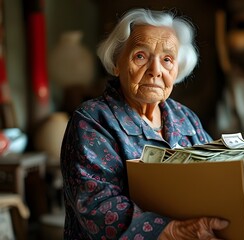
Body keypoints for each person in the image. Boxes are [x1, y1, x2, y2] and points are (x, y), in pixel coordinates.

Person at [60, 8, 229, 239]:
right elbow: (96, 204)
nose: (155, 71)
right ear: (116, 63)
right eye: (140, 56)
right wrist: (172, 231)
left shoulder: (186, 119)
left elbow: (219, 174)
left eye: (167, 59)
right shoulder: (93, 120)